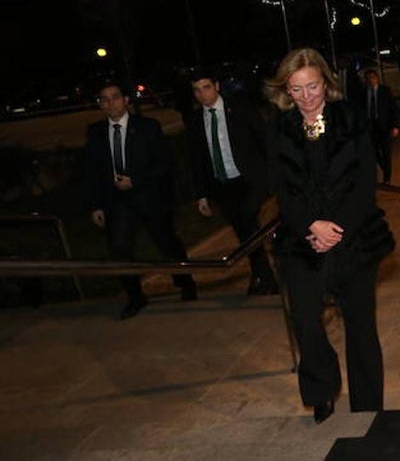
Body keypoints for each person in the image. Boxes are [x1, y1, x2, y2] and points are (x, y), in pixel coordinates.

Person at [265, 47, 393, 423]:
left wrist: (337, 229)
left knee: (360, 323)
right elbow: (282, 191)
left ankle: (369, 404)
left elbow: (365, 181)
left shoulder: (351, 117)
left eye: (313, 87)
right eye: (297, 89)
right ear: (286, 91)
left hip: (353, 235)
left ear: (326, 83)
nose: (306, 97)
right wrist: (311, 226)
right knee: (304, 316)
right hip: (301, 238)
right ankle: (322, 388)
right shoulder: (280, 127)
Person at [84, 81, 197, 320]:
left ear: (126, 100)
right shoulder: (95, 132)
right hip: (117, 202)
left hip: (148, 195)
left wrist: (135, 180)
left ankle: (186, 283)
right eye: (104, 99)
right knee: (120, 249)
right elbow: (92, 171)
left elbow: (163, 163)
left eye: (115, 97)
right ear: (100, 104)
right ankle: (135, 296)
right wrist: (96, 205)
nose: (110, 103)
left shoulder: (147, 127)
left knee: (167, 243)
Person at [186, 67, 278, 296]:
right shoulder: (195, 120)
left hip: (250, 179)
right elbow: (197, 160)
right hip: (222, 185)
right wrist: (201, 194)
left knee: (248, 221)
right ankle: (264, 275)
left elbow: (265, 139)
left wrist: (274, 176)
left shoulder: (240, 108)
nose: (202, 95)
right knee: (244, 231)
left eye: (206, 87)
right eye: (196, 90)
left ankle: (263, 277)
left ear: (216, 86)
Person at [356, 67, 400, 183]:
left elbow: (393, 109)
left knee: (386, 152)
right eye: (368, 79)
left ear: (377, 79)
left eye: (373, 78)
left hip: (384, 126)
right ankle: (384, 168)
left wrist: (395, 126)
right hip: (370, 126)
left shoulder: (385, 91)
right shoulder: (362, 93)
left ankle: (387, 178)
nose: (371, 81)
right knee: (373, 151)